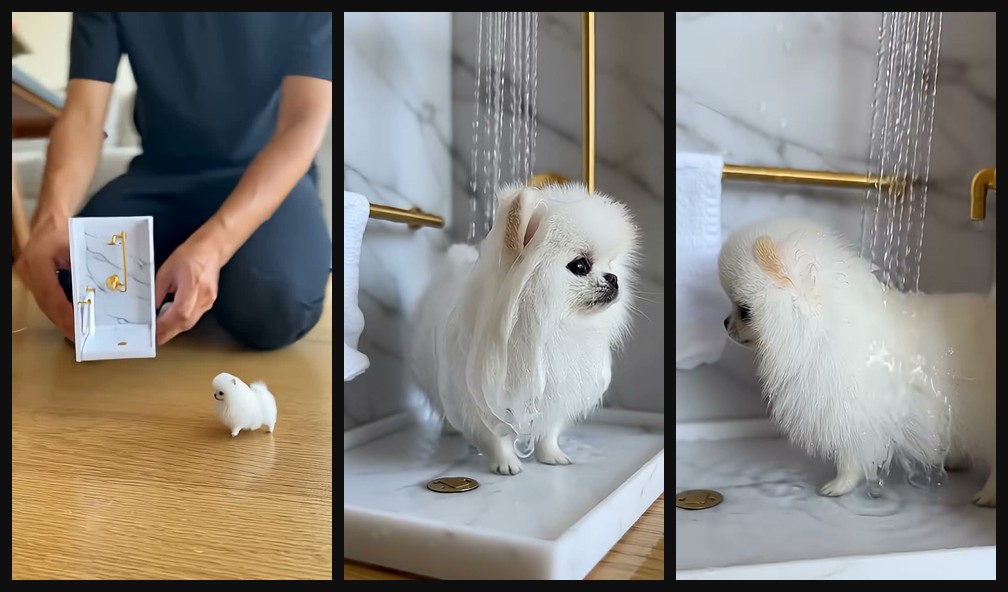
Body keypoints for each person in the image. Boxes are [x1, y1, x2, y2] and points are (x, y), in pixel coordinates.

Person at [14, 12, 333, 351]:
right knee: (75, 288)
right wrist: (51, 221)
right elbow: (84, 115)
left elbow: (301, 124)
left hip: (264, 181)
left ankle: (218, 286)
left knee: (274, 306)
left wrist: (213, 246)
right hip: (158, 176)